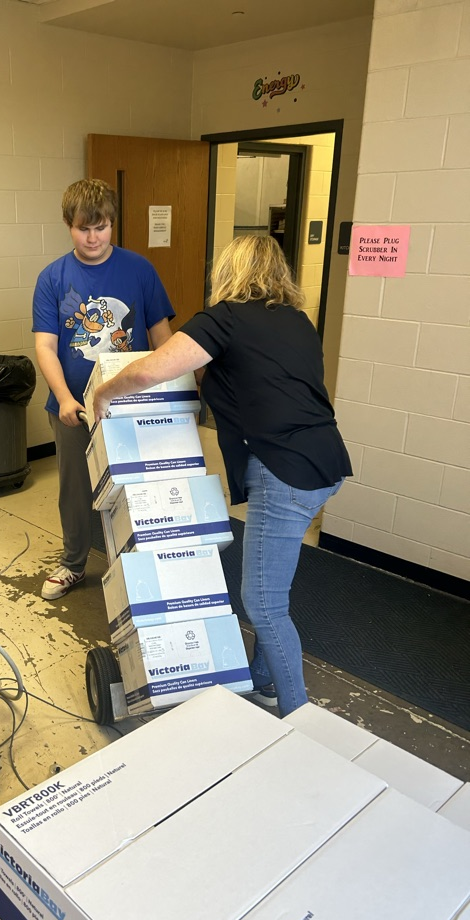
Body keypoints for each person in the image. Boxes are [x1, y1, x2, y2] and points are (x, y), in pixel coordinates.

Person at [92, 234, 352, 717]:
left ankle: (298, 717)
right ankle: (262, 679)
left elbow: (153, 369)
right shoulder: (296, 321)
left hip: (284, 473)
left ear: (227, 271)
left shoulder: (225, 319)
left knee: (263, 602)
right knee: (274, 587)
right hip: (326, 465)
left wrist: (105, 390)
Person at [33, 178, 174, 600]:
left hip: (132, 403)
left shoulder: (140, 270)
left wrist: (170, 393)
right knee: (74, 488)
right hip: (73, 407)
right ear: (67, 225)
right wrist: (62, 398)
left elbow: (164, 337)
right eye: (83, 228)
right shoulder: (52, 278)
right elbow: (45, 345)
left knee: (139, 486)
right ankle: (74, 562)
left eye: (102, 227)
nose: (93, 237)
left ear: (113, 223)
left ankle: (143, 565)